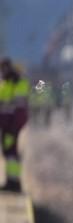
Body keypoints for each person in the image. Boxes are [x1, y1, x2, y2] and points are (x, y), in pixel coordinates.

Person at [0, 59, 31, 192]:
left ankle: (14, 183)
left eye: (3, 70)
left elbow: (20, 110)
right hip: (7, 126)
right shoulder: (7, 84)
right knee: (9, 152)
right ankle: (12, 181)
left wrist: (14, 127)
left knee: (11, 153)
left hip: (12, 126)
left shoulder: (18, 84)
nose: (2, 73)